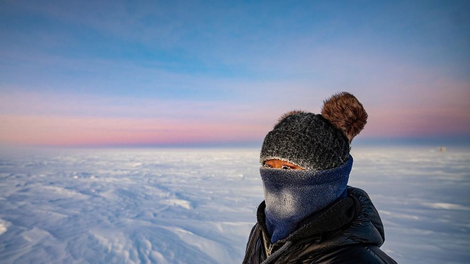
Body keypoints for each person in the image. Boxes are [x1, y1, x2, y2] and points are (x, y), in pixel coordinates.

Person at [242, 92, 397, 264]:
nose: (275, 177)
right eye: (269, 166)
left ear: (327, 177)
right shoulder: (261, 232)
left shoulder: (357, 260)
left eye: (288, 168)